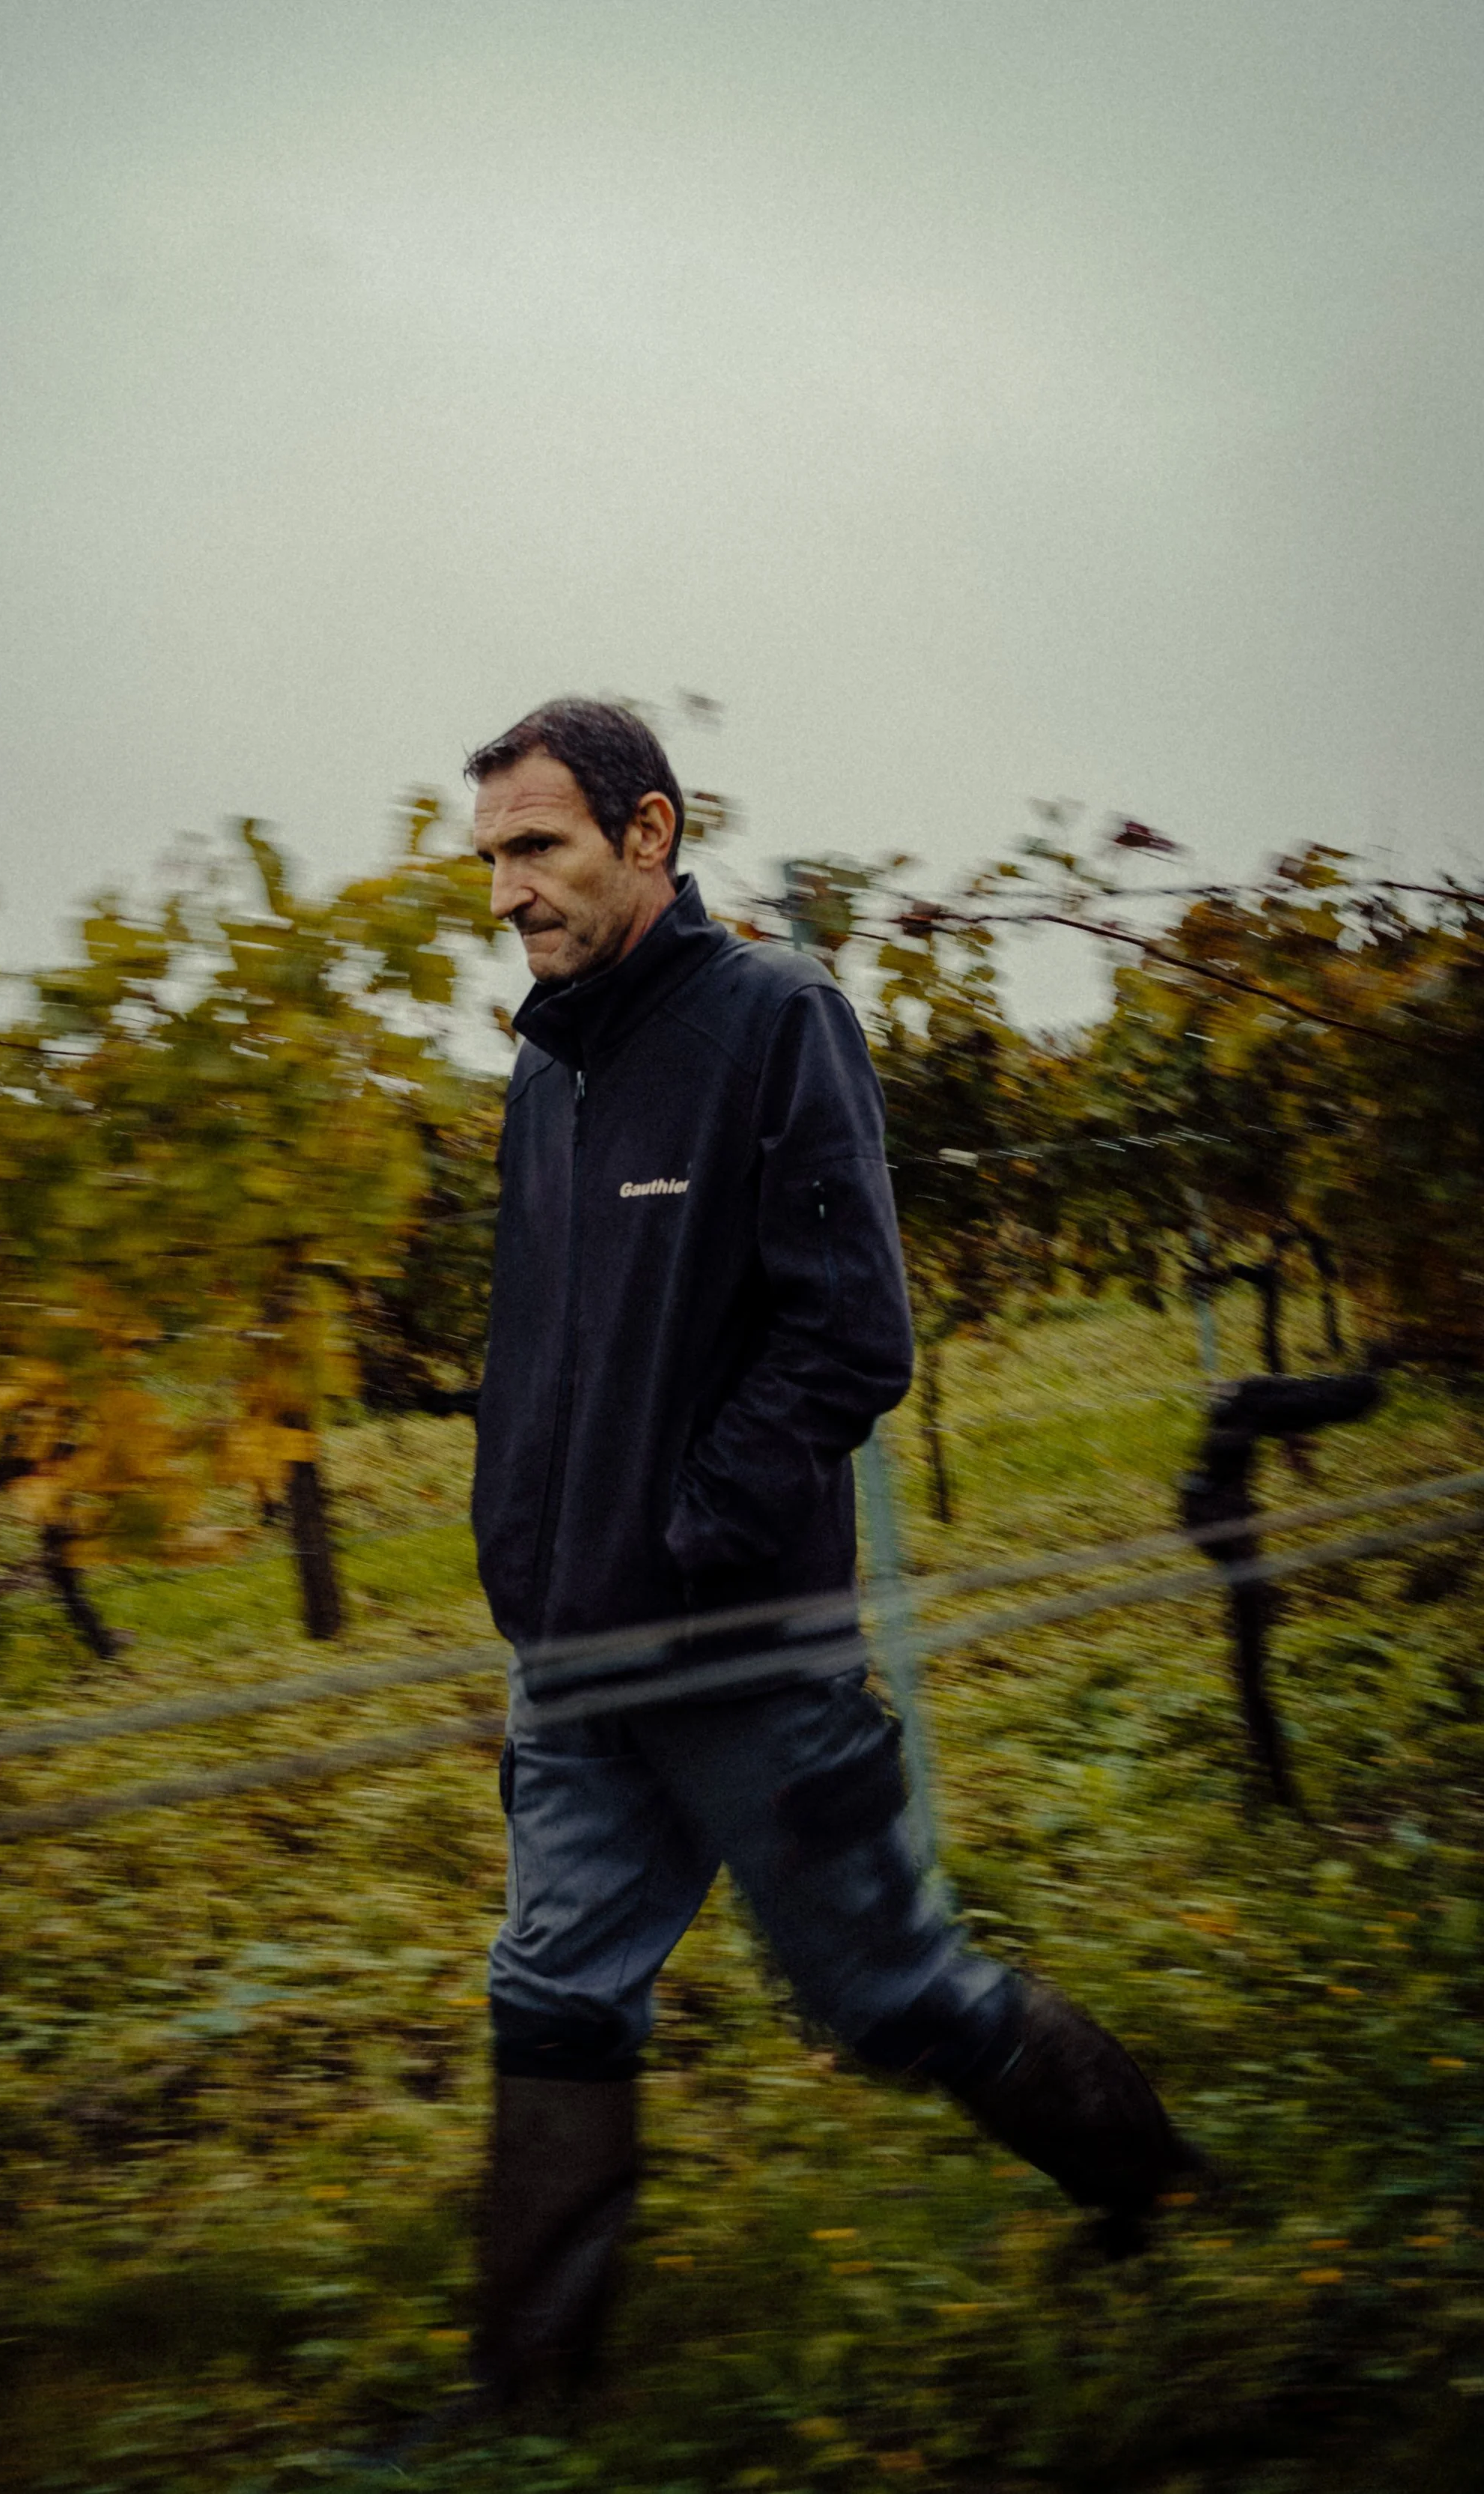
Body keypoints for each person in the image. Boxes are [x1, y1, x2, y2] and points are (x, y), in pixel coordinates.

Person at [464, 697, 1199, 2406]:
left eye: (538, 847)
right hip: (575, 1655)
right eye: (489, 857)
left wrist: (693, 1540)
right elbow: (540, 1355)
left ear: (648, 833)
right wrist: (527, 1555)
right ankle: (525, 2407)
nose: (505, 891)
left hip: (739, 1649)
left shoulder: (772, 1019)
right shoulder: (546, 1072)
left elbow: (850, 1333)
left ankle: (1159, 2194)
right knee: (553, 1992)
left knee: (886, 1991)